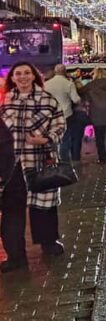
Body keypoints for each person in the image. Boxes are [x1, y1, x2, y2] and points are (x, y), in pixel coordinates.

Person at [0, 61, 66, 272]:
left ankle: (49, 242)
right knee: (12, 210)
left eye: (27, 73)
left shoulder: (47, 99)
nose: (23, 77)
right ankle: (15, 255)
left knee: (43, 205)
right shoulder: (5, 100)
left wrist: (46, 139)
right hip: (12, 164)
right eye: (18, 73)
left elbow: (60, 125)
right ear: (12, 78)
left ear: (34, 76)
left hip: (39, 159)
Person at [44, 64, 82, 162]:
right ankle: (64, 161)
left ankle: (53, 159)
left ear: (55, 72)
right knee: (65, 139)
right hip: (66, 114)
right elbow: (75, 99)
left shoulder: (46, 84)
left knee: (52, 137)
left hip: (50, 115)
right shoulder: (69, 84)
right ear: (65, 72)